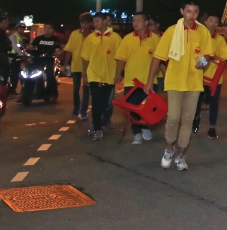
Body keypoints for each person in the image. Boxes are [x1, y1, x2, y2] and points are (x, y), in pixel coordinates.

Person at [145, 0, 213, 171]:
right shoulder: (171, 31)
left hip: (194, 82)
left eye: (195, 12)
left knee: (188, 120)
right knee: (173, 117)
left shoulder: (203, 31)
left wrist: (203, 61)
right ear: (182, 11)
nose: (192, 15)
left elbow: (208, 54)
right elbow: (158, 57)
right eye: (188, 11)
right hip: (174, 81)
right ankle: (169, 148)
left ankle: (181, 155)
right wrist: (149, 81)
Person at [114, 12, 160, 145]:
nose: (135, 23)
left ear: (146, 23)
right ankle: (137, 133)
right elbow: (121, 58)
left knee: (147, 108)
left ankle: (145, 127)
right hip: (131, 81)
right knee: (132, 109)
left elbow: (160, 60)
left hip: (150, 81)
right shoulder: (127, 39)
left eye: (139, 20)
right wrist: (118, 73)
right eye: (134, 20)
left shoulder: (156, 39)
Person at [80, 12, 122, 141]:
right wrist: (84, 74)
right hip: (94, 75)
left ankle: (97, 123)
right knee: (96, 101)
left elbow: (120, 57)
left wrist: (118, 73)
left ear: (105, 21)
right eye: (94, 21)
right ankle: (97, 128)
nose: (95, 24)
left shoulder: (115, 38)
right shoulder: (91, 38)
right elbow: (85, 58)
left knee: (104, 102)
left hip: (109, 76)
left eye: (98, 21)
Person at [192, 14, 227, 139]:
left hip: (215, 77)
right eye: (210, 20)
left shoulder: (220, 39)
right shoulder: (199, 37)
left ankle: (212, 127)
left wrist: (212, 58)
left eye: (216, 21)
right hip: (199, 74)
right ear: (205, 22)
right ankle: (196, 118)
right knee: (196, 101)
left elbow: (224, 57)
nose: (213, 23)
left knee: (214, 103)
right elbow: (195, 54)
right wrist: (208, 59)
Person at [63, 13, 93, 119]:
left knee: (86, 90)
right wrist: (65, 64)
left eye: (85, 23)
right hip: (76, 65)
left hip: (88, 67)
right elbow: (69, 51)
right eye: (81, 23)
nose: (83, 25)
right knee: (75, 89)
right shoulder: (74, 34)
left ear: (90, 23)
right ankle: (76, 107)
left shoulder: (93, 35)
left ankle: (83, 111)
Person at [28, 23, 61, 98]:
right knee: (27, 73)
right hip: (38, 59)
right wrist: (29, 48)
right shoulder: (39, 38)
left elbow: (57, 48)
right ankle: (25, 93)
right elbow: (32, 46)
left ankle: (53, 93)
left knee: (49, 74)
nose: (47, 29)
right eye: (45, 28)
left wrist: (57, 52)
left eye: (49, 28)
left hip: (49, 59)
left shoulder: (55, 39)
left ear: (52, 30)